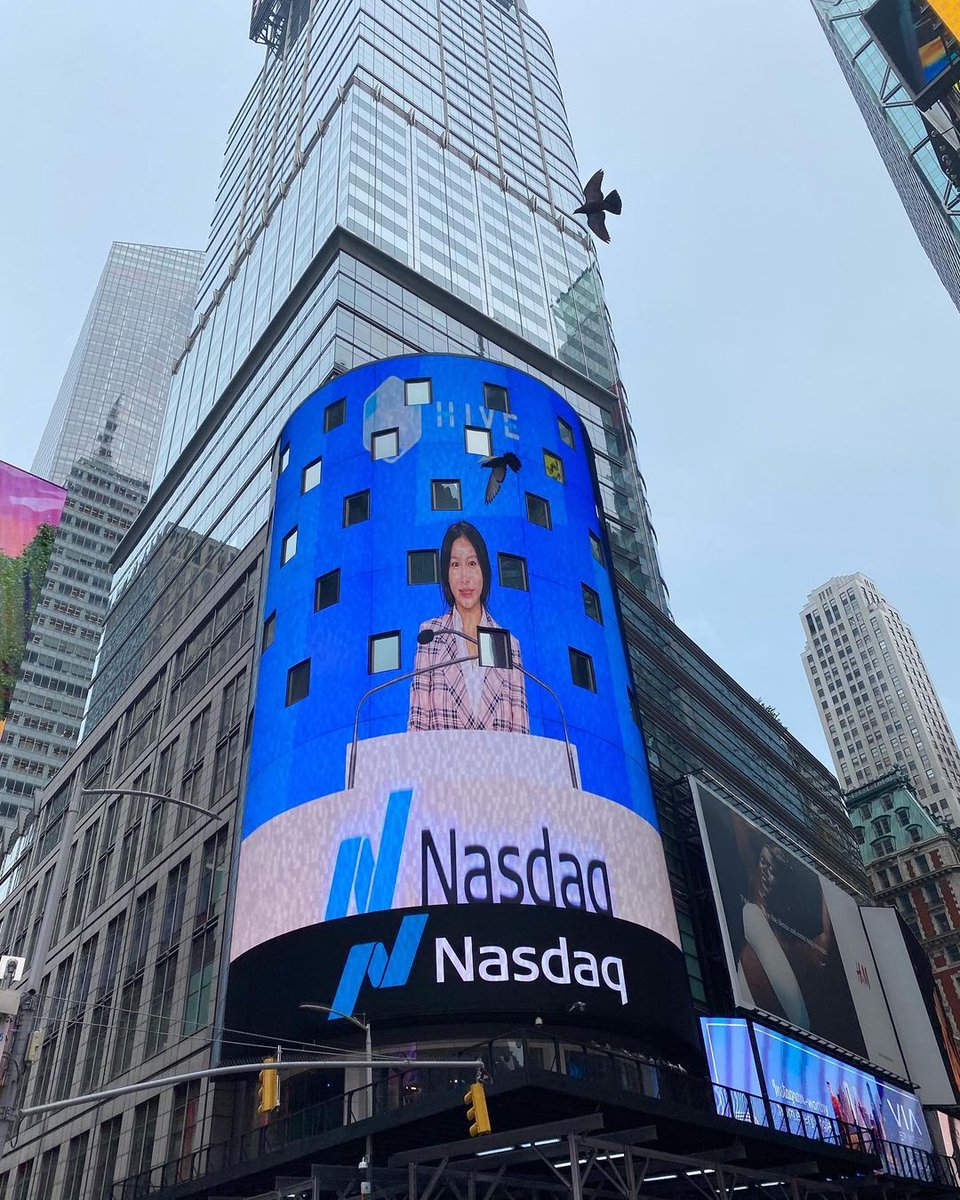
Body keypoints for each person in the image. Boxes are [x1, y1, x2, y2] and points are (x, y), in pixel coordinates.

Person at [408, 521, 529, 732]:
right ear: (446, 573)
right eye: (455, 565)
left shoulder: (508, 645)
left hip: (497, 765)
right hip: (443, 764)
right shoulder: (431, 637)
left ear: (484, 570)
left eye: (472, 563)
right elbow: (417, 728)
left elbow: (521, 737)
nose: (465, 577)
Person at [735, 836, 834, 1029]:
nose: (764, 871)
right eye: (763, 862)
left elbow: (825, 939)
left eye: (772, 870)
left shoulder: (798, 943)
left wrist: (826, 877)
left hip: (779, 1027)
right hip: (742, 1007)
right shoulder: (754, 890)